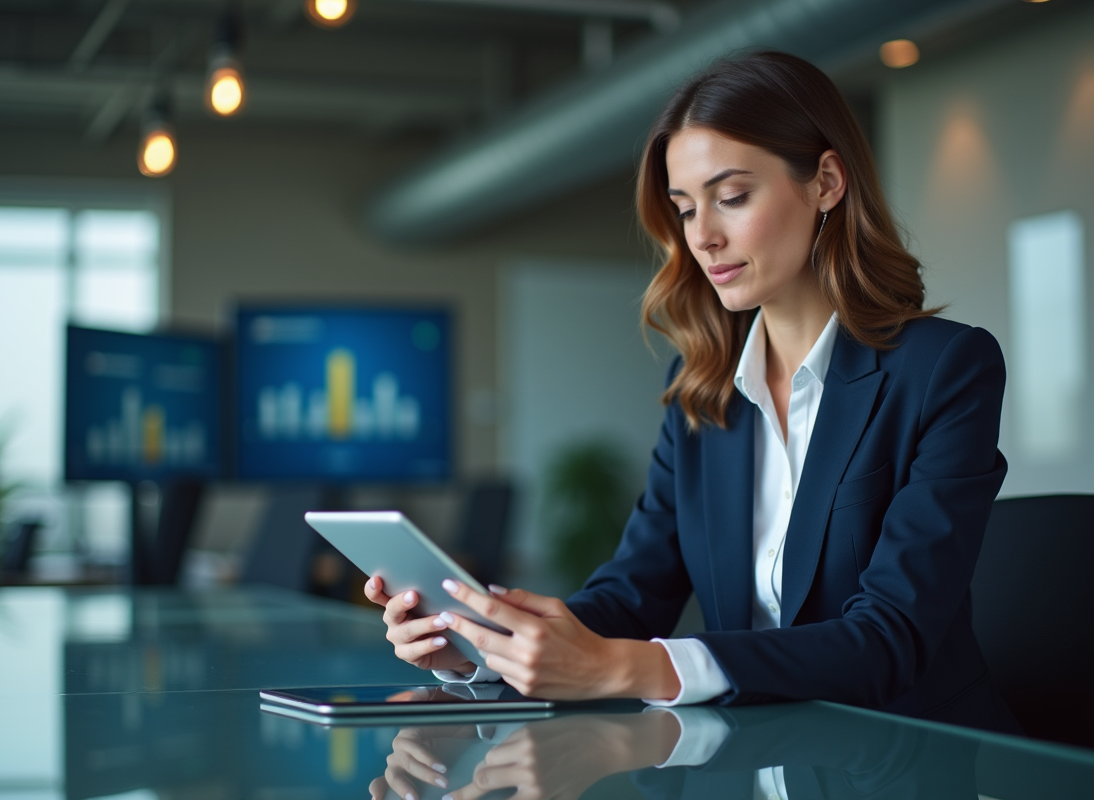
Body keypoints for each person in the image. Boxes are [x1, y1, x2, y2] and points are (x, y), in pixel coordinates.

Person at [365, 50, 1018, 733]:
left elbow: (890, 640)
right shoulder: (699, 388)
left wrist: (637, 668)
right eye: (684, 208)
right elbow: (632, 596)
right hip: (761, 751)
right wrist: (484, 646)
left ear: (825, 181)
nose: (703, 237)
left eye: (732, 197)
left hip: (914, 757)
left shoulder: (946, 368)